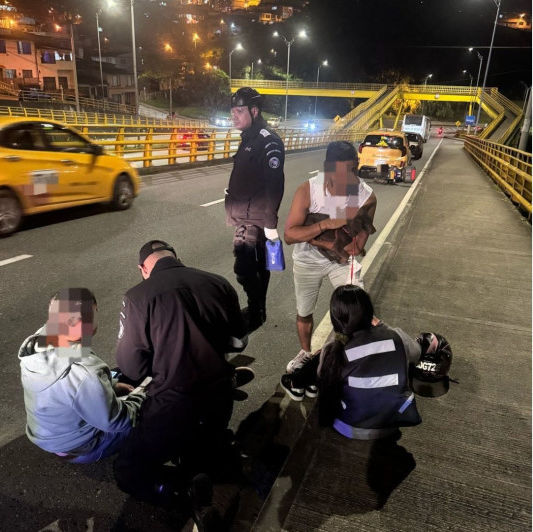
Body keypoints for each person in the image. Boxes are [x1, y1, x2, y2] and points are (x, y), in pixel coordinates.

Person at [113, 240, 252, 519]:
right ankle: (205, 461)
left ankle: (178, 491)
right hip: (219, 396)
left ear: (143, 268)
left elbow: (131, 365)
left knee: (126, 468)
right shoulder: (218, 283)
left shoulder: (137, 298)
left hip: (173, 404)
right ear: (177, 257)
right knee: (202, 448)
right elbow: (239, 342)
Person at [281, 140, 377, 383]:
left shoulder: (363, 195)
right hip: (306, 260)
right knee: (304, 311)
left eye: (353, 170)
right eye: (342, 171)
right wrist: (324, 225)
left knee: (357, 310)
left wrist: (319, 240)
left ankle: (352, 358)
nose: (349, 178)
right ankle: (305, 352)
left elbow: (355, 248)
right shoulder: (309, 190)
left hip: (341, 262)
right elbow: (290, 235)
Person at [18, 288, 145, 464]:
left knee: (115, 376)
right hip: (81, 447)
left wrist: (112, 385)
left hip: (50, 436)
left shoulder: (42, 339)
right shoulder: (85, 373)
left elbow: (70, 386)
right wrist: (141, 396)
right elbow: (117, 421)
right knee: (152, 412)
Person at [281, 285, 424, 441]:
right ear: (370, 312)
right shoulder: (397, 336)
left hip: (349, 426)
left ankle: (296, 382)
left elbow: (324, 376)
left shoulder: (333, 350)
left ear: (335, 317)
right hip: (392, 422)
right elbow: (417, 354)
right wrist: (383, 326)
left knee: (322, 366)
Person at [224, 87, 286, 333]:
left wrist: (270, 225)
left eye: (239, 110)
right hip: (244, 215)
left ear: (254, 111)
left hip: (256, 218)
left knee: (244, 269)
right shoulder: (249, 138)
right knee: (258, 266)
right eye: (232, 111)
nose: (234, 116)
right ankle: (258, 309)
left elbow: (274, 184)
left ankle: (256, 309)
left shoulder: (267, 141)